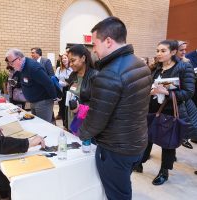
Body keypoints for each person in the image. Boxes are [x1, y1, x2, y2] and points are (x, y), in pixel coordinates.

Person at [78, 17, 152, 200]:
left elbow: (97, 118)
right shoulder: (140, 64)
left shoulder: (109, 73)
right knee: (123, 186)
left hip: (116, 149)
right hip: (137, 141)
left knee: (118, 195)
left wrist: (81, 134)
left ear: (108, 41)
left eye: (94, 44)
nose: (93, 50)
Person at [135, 40, 195, 185]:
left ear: (173, 52)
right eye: (157, 51)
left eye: (163, 51)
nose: (158, 54)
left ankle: (164, 172)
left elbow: (188, 92)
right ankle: (140, 162)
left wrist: (167, 92)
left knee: (167, 143)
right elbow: (149, 84)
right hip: (151, 108)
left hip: (170, 110)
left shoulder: (183, 67)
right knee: (146, 137)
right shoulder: (156, 67)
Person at [5, 48, 57, 123]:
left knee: (44, 126)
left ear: (19, 59)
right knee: (37, 124)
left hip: (43, 102)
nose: (10, 65)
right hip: (33, 101)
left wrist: (54, 98)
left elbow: (48, 83)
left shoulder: (33, 67)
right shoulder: (21, 68)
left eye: (11, 62)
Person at [65, 45, 98, 132]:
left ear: (83, 58)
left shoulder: (94, 76)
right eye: (69, 61)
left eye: (73, 60)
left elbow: (98, 104)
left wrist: (80, 107)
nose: (70, 64)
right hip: (71, 119)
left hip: (85, 124)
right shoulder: (73, 75)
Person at [55, 53, 72, 124]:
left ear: (68, 59)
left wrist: (63, 82)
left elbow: (71, 81)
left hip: (69, 90)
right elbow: (56, 79)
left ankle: (68, 123)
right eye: (62, 58)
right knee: (61, 107)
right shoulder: (59, 69)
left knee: (68, 107)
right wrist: (64, 82)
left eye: (65, 58)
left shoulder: (71, 68)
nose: (64, 60)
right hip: (60, 90)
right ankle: (64, 124)